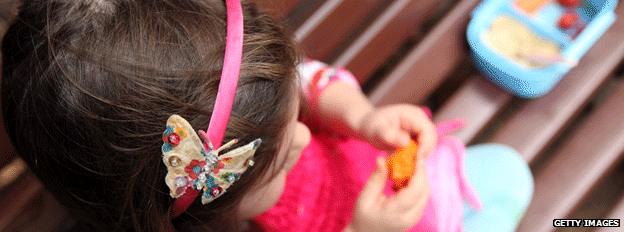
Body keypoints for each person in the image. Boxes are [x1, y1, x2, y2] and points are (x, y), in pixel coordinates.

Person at [1, 0, 532, 231]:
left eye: (292, 114)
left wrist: (362, 118)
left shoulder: (245, 96)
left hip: (397, 184)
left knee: (509, 170)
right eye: (276, 167)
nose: (303, 136)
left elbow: (311, 80)